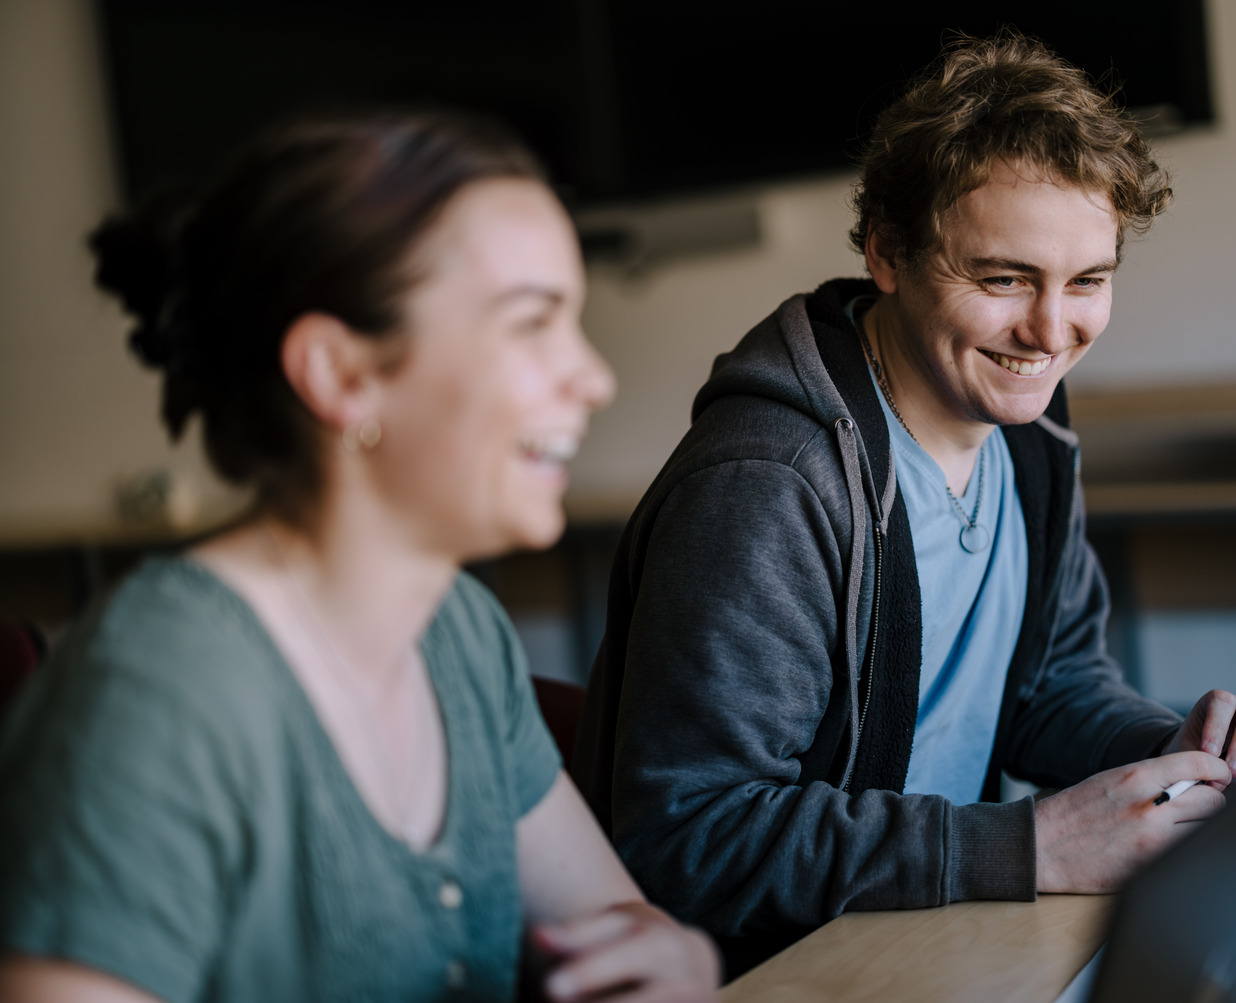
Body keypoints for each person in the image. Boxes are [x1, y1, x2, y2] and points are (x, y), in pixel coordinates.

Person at [573, 32, 1236, 975]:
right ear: (886, 254)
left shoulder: (1027, 424)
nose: (1048, 330)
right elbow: (689, 837)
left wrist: (1173, 752)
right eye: (1003, 279)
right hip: (786, 971)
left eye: (1087, 282)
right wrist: (1031, 845)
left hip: (935, 935)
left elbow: (1048, 684)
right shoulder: (771, 483)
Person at [0, 111, 718, 1002]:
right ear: (341, 375)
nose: (593, 378)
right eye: (533, 324)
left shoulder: (456, 628)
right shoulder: (152, 697)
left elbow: (619, 926)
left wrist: (674, 958)